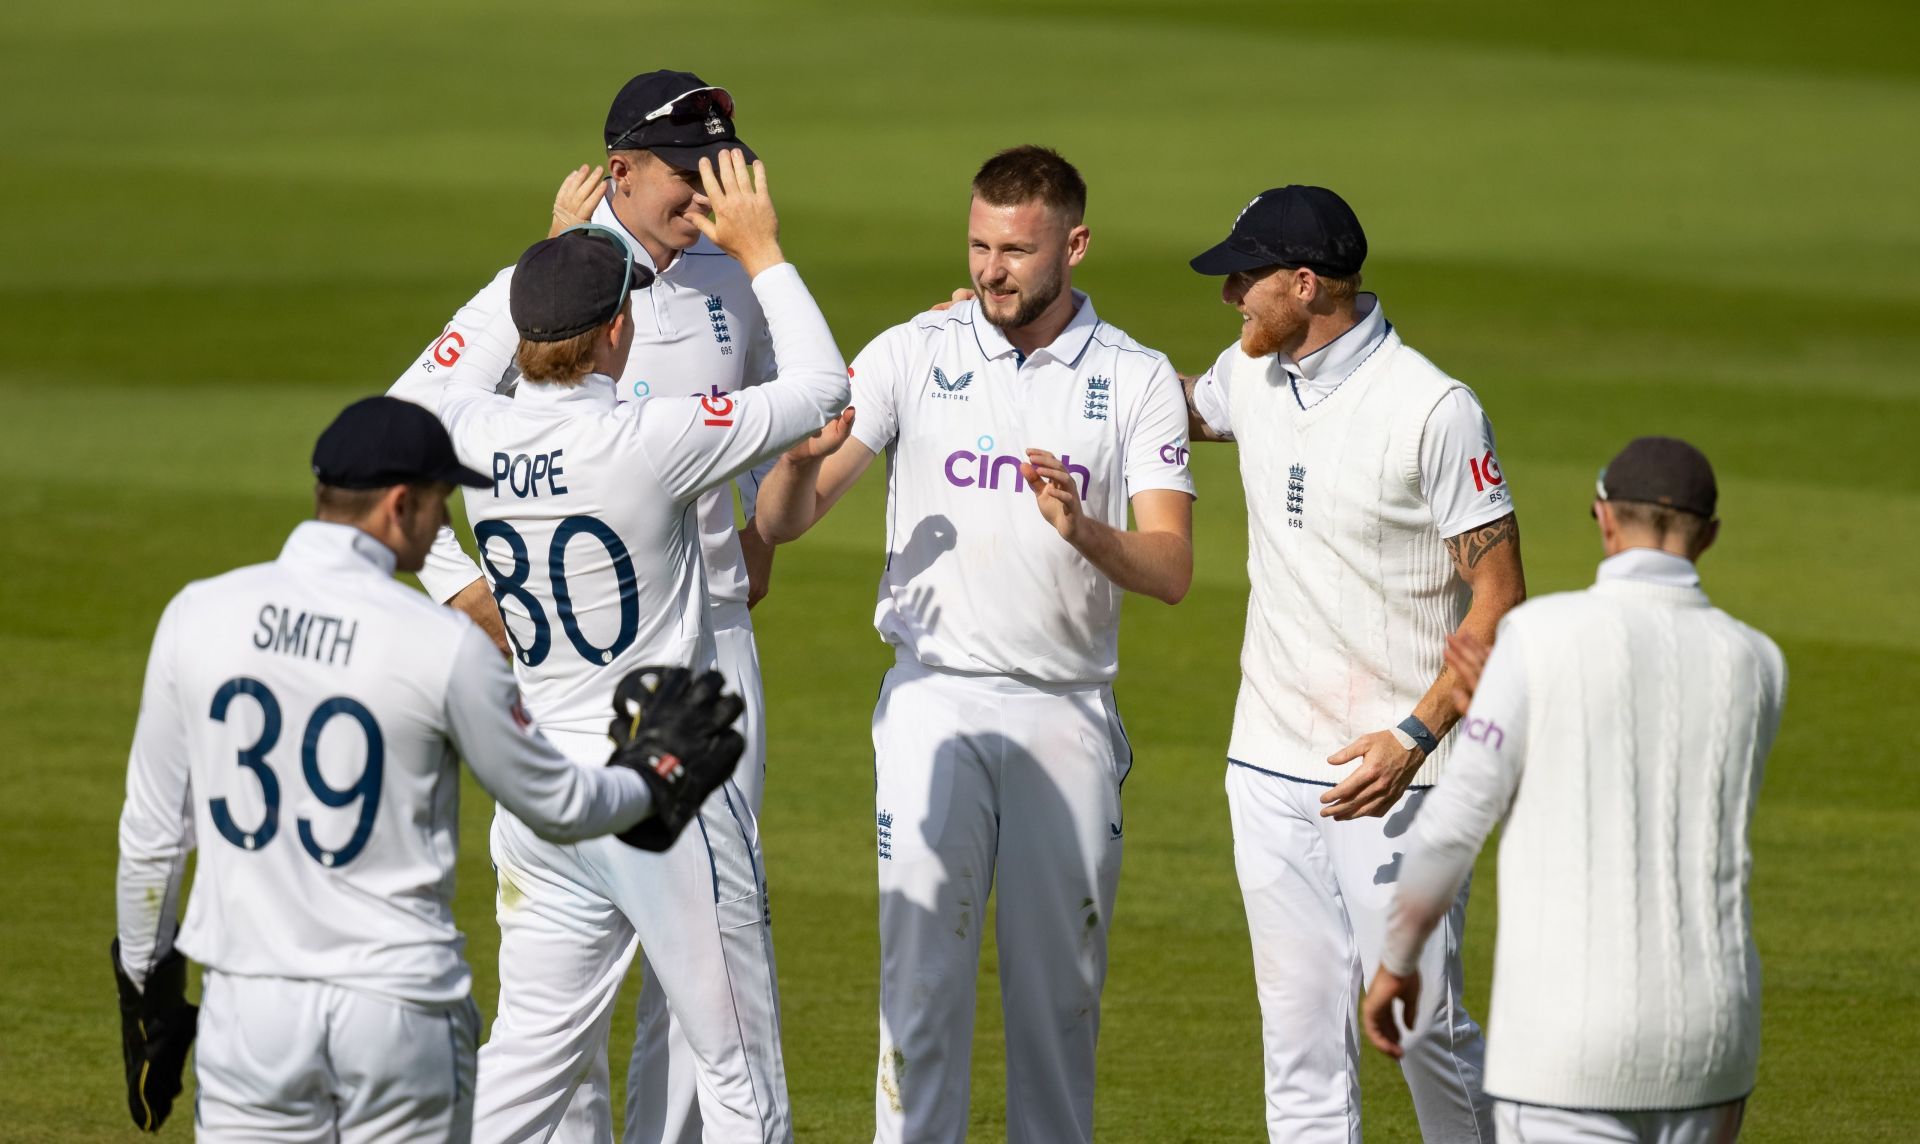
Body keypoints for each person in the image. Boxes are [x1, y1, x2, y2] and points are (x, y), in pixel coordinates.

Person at [111, 395, 744, 1141]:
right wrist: (651, 775)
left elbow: (152, 841)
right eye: (440, 502)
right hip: (398, 1010)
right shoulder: (443, 645)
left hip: (250, 1013)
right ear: (399, 504)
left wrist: (146, 995)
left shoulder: (197, 615)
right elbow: (557, 804)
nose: (447, 523)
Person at [754, 144, 1196, 1144]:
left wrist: (1085, 528)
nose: (993, 269)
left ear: (1074, 245)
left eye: (1017, 250)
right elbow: (787, 522)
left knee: (1058, 1006)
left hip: (1066, 712)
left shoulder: (1134, 378)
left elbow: (1170, 568)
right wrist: (793, 465)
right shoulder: (914, 350)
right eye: (978, 245)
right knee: (918, 994)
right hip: (933, 701)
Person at [389, 70, 787, 1143]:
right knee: (562, 988)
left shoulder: (733, 278)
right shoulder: (545, 284)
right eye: (684, 170)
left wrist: (765, 530)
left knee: (706, 971)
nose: (706, 189)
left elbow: (792, 433)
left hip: (716, 645)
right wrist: (464, 588)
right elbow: (398, 428)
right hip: (576, 670)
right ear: (620, 170)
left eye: (721, 164)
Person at [1182, 185, 1526, 1142]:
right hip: (1265, 762)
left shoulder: (1434, 409)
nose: (1230, 296)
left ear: (1304, 283)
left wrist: (1415, 739)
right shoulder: (1250, 374)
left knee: (1419, 1029)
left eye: (1245, 278)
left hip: (1397, 774)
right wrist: (1026, 340)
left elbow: (1501, 601)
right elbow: (1164, 410)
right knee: (1297, 1048)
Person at [1363, 437, 1785, 1144]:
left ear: (1605, 520)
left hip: (1566, 1051)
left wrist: (1398, 963)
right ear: (1709, 535)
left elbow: (1453, 826)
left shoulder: (1535, 639)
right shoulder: (1760, 663)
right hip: (1715, 1047)